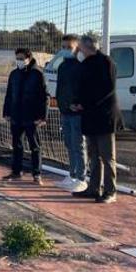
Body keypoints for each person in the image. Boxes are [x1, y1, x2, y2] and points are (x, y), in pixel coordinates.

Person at [70, 34, 121, 203]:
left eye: (80, 48)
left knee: (107, 157)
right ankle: (93, 188)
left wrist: (86, 104)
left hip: (104, 116)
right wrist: (76, 102)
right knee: (94, 155)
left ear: (86, 47)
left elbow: (107, 90)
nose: (78, 51)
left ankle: (110, 191)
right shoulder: (85, 64)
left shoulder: (106, 62)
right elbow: (81, 87)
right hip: (89, 116)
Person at [2, 47, 47, 185]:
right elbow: (9, 94)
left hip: (31, 116)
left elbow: (43, 96)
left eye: (21, 58)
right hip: (16, 115)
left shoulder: (37, 74)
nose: (19, 61)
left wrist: (42, 116)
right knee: (17, 145)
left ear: (28, 58)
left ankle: (37, 174)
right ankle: (16, 172)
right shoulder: (14, 74)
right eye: (17, 58)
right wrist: (7, 112)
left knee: (35, 146)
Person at [55, 34, 88, 192]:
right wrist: (62, 106)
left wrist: (79, 104)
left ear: (77, 49)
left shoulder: (80, 66)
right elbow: (61, 89)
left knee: (78, 145)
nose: (65, 50)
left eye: (69, 47)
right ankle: (72, 174)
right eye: (63, 47)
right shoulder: (62, 66)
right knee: (69, 144)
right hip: (65, 111)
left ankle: (82, 178)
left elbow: (83, 89)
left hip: (76, 113)